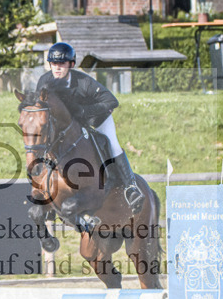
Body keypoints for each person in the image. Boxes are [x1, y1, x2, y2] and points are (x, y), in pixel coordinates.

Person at [34, 41, 144, 211]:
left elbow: (112, 101)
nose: (57, 67)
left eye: (61, 63)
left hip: (97, 119)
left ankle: (131, 187)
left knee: (113, 145)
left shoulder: (84, 82)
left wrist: (85, 111)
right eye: (54, 63)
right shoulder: (44, 81)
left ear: (71, 64)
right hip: (69, 124)